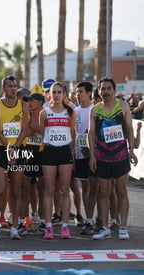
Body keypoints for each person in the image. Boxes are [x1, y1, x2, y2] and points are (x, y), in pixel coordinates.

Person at [88, 77, 137, 240]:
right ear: (99, 91)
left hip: (121, 155)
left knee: (121, 190)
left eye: (108, 88)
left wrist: (131, 150)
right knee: (103, 192)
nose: (105, 92)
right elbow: (91, 134)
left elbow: (129, 129)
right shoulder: (95, 110)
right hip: (102, 156)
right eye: (102, 89)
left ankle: (123, 227)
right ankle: (104, 227)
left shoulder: (122, 106)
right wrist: (92, 156)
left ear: (114, 91)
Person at [0, 76, 29, 240]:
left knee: (16, 190)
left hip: (19, 149)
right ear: (3, 89)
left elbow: (24, 129)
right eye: (10, 86)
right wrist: (8, 147)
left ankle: (15, 226)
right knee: (0, 190)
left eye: (15, 86)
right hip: (2, 150)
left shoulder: (24, 105)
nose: (13, 89)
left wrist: (15, 148)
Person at [39, 82, 75, 240]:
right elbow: (42, 134)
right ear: (49, 94)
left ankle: (65, 225)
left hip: (64, 151)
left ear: (64, 94)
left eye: (59, 92)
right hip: (49, 151)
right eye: (54, 92)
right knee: (49, 190)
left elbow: (72, 133)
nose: (57, 95)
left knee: (65, 190)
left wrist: (71, 154)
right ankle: (48, 226)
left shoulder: (70, 112)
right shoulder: (44, 113)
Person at [72, 82, 98, 235]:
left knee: (97, 187)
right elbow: (73, 134)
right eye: (76, 92)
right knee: (85, 186)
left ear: (89, 93)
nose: (77, 94)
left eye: (80, 91)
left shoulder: (94, 110)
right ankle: (88, 219)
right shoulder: (74, 111)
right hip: (79, 153)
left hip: (95, 154)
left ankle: (102, 219)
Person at [22, 93, 46, 234]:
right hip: (27, 154)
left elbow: (45, 132)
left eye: (32, 100)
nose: (29, 102)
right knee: (24, 189)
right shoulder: (26, 115)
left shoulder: (46, 114)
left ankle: (43, 220)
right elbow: (25, 133)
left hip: (42, 154)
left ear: (41, 102)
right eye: (28, 100)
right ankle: (26, 220)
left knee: (42, 190)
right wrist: (33, 126)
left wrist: (33, 126)